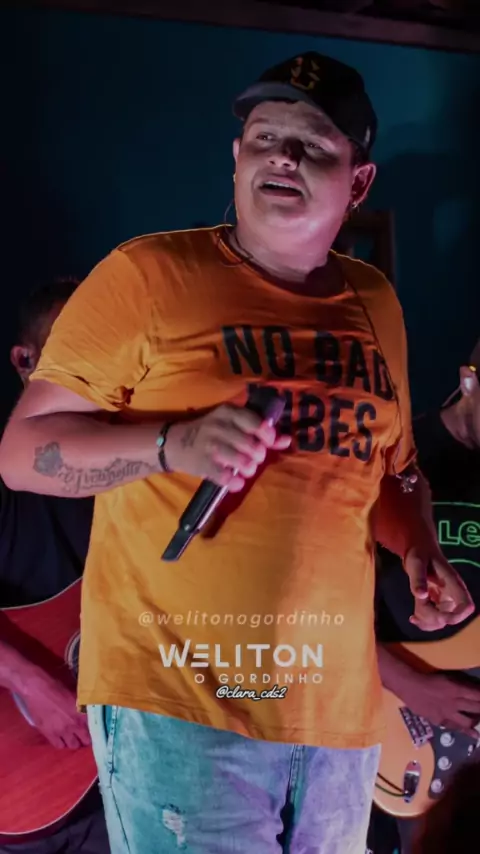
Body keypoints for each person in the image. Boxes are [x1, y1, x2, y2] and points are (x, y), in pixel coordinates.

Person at [0, 52, 474, 854]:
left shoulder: (374, 302)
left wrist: (419, 547)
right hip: (182, 708)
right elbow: (23, 452)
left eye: (312, 143)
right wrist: (171, 443)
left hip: (336, 714)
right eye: (264, 138)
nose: (282, 156)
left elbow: (393, 473)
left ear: (358, 182)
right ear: (237, 156)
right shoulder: (147, 275)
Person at [0, 280, 110, 854]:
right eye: (75, 347)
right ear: (26, 361)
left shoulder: (140, 473)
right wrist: (30, 683)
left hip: (112, 784)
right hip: (19, 782)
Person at [370, 345, 480, 853]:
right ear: (469, 381)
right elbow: (315, 611)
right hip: (406, 723)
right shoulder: (395, 466)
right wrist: (411, 685)